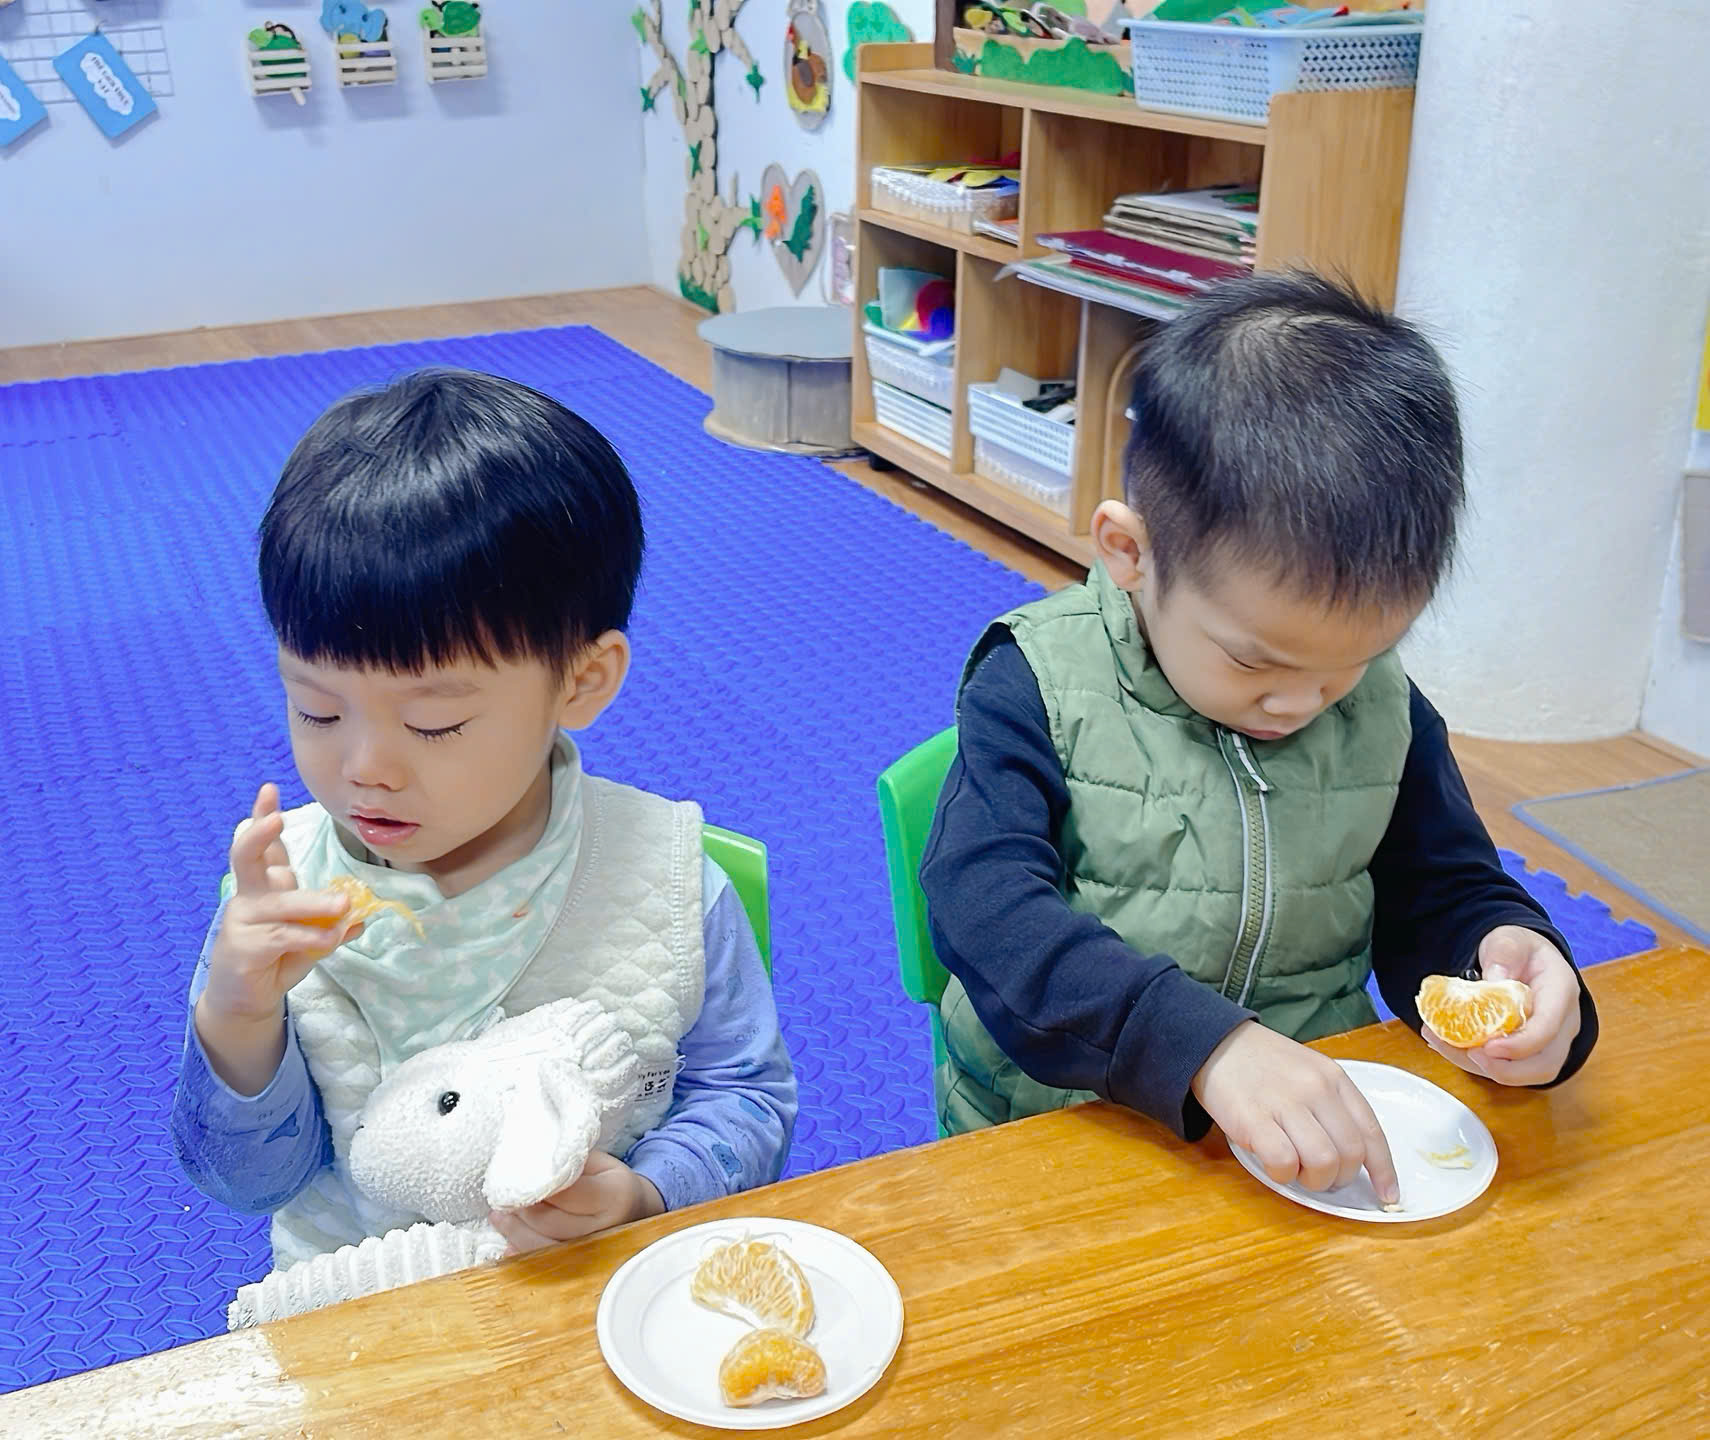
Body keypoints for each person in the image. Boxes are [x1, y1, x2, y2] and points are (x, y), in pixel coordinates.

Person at [920, 273, 1597, 1205]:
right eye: (1257, 663)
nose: (1303, 703)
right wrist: (1206, 1047)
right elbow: (984, 908)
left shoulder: (1382, 707)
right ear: (1131, 552)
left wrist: (1508, 951)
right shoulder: (1036, 682)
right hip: (1062, 1130)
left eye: (1350, 661)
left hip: (1308, 1140)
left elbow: (1438, 885)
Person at [171, 368, 795, 1265]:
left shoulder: (665, 884)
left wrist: (646, 1190)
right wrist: (237, 1016)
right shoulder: (279, 903)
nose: (364, 769)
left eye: (434, 723)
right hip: (365, 1307)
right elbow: (245, 1184)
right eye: (315, 709)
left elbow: (749, 1099)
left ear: (582, 680)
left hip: (591, 1293)